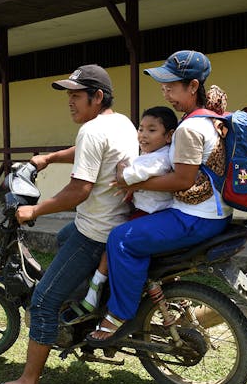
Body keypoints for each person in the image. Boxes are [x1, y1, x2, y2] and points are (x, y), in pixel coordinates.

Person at [0, 64, 138, 384]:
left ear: (97, 97)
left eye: (76, 95)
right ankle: (85, 312)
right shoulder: (121, 122)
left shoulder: (92, 131)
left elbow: (79, 190)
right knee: (64, 238)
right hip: (114, 224)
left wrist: (34, 211)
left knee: (43, 302)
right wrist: (49, 158)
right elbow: (87, 153)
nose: (70, 101)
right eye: (68, 94)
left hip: (96, 231)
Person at [85, 50, 233, 346]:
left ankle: (118, 314)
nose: (166, 93)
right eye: (163, 86)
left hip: (195, 218)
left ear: (193, 86)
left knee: (121, 239)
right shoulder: (212, 119)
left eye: (172, 86)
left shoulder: (190, 127)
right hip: (214, 213)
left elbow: (182, 180)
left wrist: (134, 182)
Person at [61, 105, 178, 324]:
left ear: (169, 135)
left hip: (147, 215)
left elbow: (124, 177)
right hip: (149, 212)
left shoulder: (158, 159)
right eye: (141, 129)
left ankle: (94, 293)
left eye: (151, 130)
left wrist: (122, 167)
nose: (143, 135)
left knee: (113, 242)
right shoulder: (154, 154)